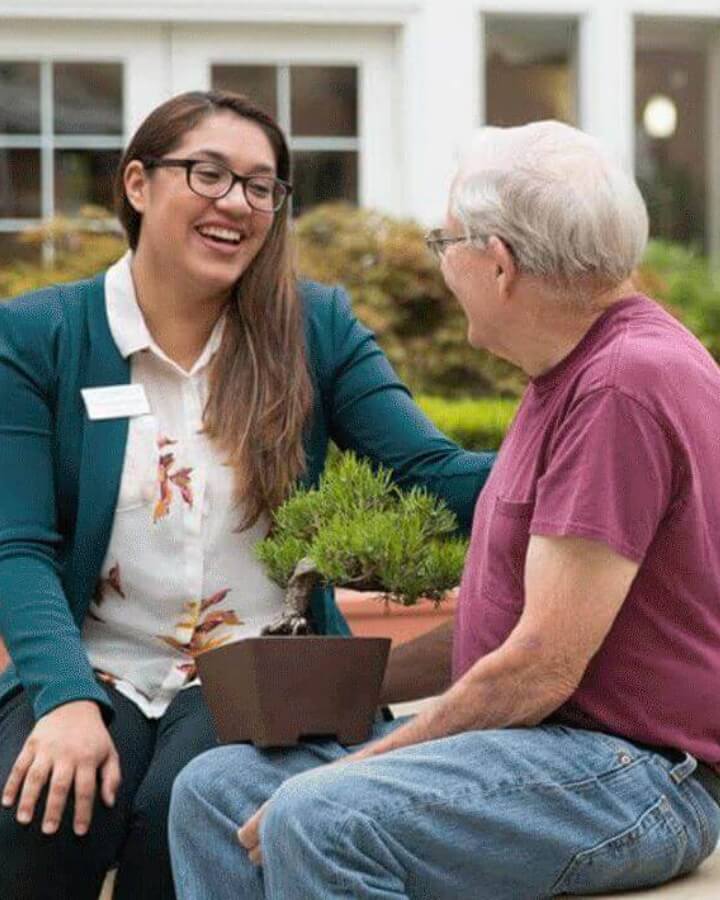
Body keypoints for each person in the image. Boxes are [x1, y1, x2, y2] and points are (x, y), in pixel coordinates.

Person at [168, 119, 720, 900]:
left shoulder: (620, 386)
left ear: (498, 264)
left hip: (633, 774)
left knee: (322, 818)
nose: (440, 265)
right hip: (545, 749)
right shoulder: (568, 370)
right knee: (216, 790)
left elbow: (540, 665)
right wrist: (342, 679)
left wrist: (358, 765)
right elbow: (511, 629)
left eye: (444, 242)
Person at [0, 90, 494, 900]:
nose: (238, 202)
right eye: (209, 174)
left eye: (262, 186)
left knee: (187, 811)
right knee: (43, 806)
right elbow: (16, 543)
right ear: (137, 184)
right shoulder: (38, 336)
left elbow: (428, 472)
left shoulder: (314, 326)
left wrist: (584, 460)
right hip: (99, 663)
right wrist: (61, 701)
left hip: (262, 671)